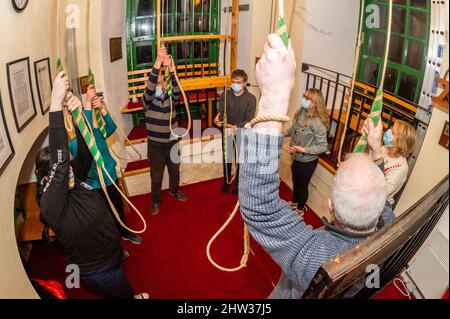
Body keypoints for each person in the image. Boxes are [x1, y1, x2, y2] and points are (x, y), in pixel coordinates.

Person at [239, 34, 387, 299]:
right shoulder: (389, 240)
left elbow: (259, 207)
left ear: (330, 204)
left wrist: (273, 97)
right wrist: (377, 152)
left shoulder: (316, 258)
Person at [35, 71, 148, 299]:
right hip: (100, 269)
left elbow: (87, 151)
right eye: (64, 168)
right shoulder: (52, 205)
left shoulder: (71, 178)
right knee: (124, 293)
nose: (69, 169)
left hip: (110, 255)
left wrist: (80, 113)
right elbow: (60, 161)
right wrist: (55, 105)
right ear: (48, 178)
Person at [68, 85, 143, 244]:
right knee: (104, 218)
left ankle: (125, 232)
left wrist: (101, 109)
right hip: (95, 185)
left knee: (118, 208)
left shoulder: (95, 131)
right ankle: (114, 245)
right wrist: (87, 103)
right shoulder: (75, 144)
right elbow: (87, 141)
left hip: (110, 176)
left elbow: (111, 127)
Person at [142, 47, 188, 216]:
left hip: (173, 142)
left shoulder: (171, 98)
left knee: (175, 170)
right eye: (158, 82)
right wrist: (157, 63)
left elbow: (177, 89)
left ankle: (174, 191)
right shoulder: (147, 101)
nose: (160, 84)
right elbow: (149, 87)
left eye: (163, 82)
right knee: (156, 177)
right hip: (155, 146)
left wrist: (170, 68)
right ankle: (155, 200)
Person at [362, 119, 417, 226]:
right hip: (368, 191)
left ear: (400, 143)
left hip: (379, 205)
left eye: (392, 132)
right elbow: (369, 162)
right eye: (391, 128)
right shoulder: (384, 149)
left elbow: (381, 192)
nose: (388, 131)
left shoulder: (401, 168)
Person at [285, 88, 329, 215]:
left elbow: (322, 146)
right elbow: (294, 129)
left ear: (315, 103)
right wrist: (285, 133)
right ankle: (294, 202)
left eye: (307, 98)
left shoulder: (318, 123)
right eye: (304, 96)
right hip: (295, 156)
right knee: (295, 182)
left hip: (307, 161)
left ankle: (300, 210)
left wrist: (303, 150)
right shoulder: (301, 112)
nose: (303, 99)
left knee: (302, 186)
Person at [214, 69, 257, 195]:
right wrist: (217, 120)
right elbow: (221, 113)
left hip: (242, 133)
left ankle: (238, 184)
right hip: (227, 132)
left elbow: (250, 119)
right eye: (233, 82)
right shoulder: (225, 95)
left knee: (240, 160)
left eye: (238, 82)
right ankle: (226, 181)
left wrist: (236, 127)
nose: (235, 85)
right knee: (227, 158)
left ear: (244, 83)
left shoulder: (251, 99)